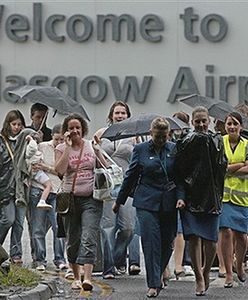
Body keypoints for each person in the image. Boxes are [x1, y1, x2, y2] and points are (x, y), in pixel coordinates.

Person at [113, 117, 185, 298]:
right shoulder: (140, 150)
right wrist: (119, 200)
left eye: (164, 136)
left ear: (168, 135)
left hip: (169, 202)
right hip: (146, 203)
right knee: (151, 241)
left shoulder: (174, 149)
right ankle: (153, 283)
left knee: (167, 242)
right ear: (151, 134)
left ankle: (159, 272)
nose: (161, 140)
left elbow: (180, 177)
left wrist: (181, 198)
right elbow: (130, 176)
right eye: (157, 136)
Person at [175, 106, 227, 296]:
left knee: (211, 239)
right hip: (190, 196)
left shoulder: (217, 140)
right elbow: (179, 169)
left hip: (211, 195)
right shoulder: (184, 141)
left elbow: (222, 166)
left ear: (209, 121)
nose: (201, 124)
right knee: (194, 238)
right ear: (192, 122)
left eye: (204, 120)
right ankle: (198, 276)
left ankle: (206, 271)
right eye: (197, 121)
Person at [55, 113, 105, 291]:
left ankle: (88, 278)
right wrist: (68, 148)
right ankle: (76, 276)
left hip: (92, 199)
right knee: (73, 239)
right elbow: (59, 171)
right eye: (71, 128)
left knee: (89, 237)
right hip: (70, 200)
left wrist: (98, 150)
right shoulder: (61, 148)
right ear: (66, 131)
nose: (75, 131)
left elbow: (104, 168)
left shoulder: (91, 145)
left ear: (83, 129)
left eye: (78, 127)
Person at [94, 101, 137, 279]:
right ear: (111, 115)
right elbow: (94, 159)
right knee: (108, 227)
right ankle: (108, 267)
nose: (120, 116)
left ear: (128, 115)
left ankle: (119, 258)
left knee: (128, 228)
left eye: (123, 113)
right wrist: (96, 150)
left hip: (127, 185)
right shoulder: (101, 134)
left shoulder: (135, 136)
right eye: (117, 113)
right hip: (107, 186)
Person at [28, 124, 67, 271]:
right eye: (57, 139)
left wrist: (46, 167)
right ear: (52, 136)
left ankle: (59, 259)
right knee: (38, 227)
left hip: (57, 191)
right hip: (39, 189)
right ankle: (40, 260)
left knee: (58, 228)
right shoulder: (43, 147)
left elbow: (61, 171)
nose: (59, 142)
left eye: (62, 139)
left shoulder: (65, 150)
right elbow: (33, 163)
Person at [219, 112, 248, 287]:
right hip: (223, 196)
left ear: (241, 127)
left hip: (243, 198)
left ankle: (239, 263)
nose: (232, 127)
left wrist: (229, 169)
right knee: (226, 232)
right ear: (225, 125)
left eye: (235, 124)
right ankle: (229, 272)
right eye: (229, 123)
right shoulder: (219, 143)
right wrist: (240, 165)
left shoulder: (246, 145)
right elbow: (219, 168)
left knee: (241, 236)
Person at [0, 110, 26, 264]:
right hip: (5, 188)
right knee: (7, 219)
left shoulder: (23, 140)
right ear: (8, 124)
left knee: (19, 224)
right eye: (14, 124)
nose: (17, 127)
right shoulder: (2, 142)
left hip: (20, 189)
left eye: (19, 124)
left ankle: (16, 254)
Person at [25, 135, 53, 210]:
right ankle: (42, 200)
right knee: (49, 185)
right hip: (37, 172)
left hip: (34, 173)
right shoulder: (30, 151)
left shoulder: (31, 152)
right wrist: (31, 139)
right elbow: (33, 147)